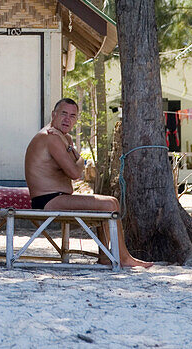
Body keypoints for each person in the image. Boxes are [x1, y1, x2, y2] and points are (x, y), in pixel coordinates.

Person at [24, 97, 153, 268]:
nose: (67, 119)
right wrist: (81, 160)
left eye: (72, 116)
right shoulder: (51, 138)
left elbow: (74, 165)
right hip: (48, 201)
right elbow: (75, 173)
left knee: (107, 203)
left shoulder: (63, 138)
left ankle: (106, 257)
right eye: (63, 114)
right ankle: (124, 258)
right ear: (54, 114)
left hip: (57, 198)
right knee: (110, 204)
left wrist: (74, 153)